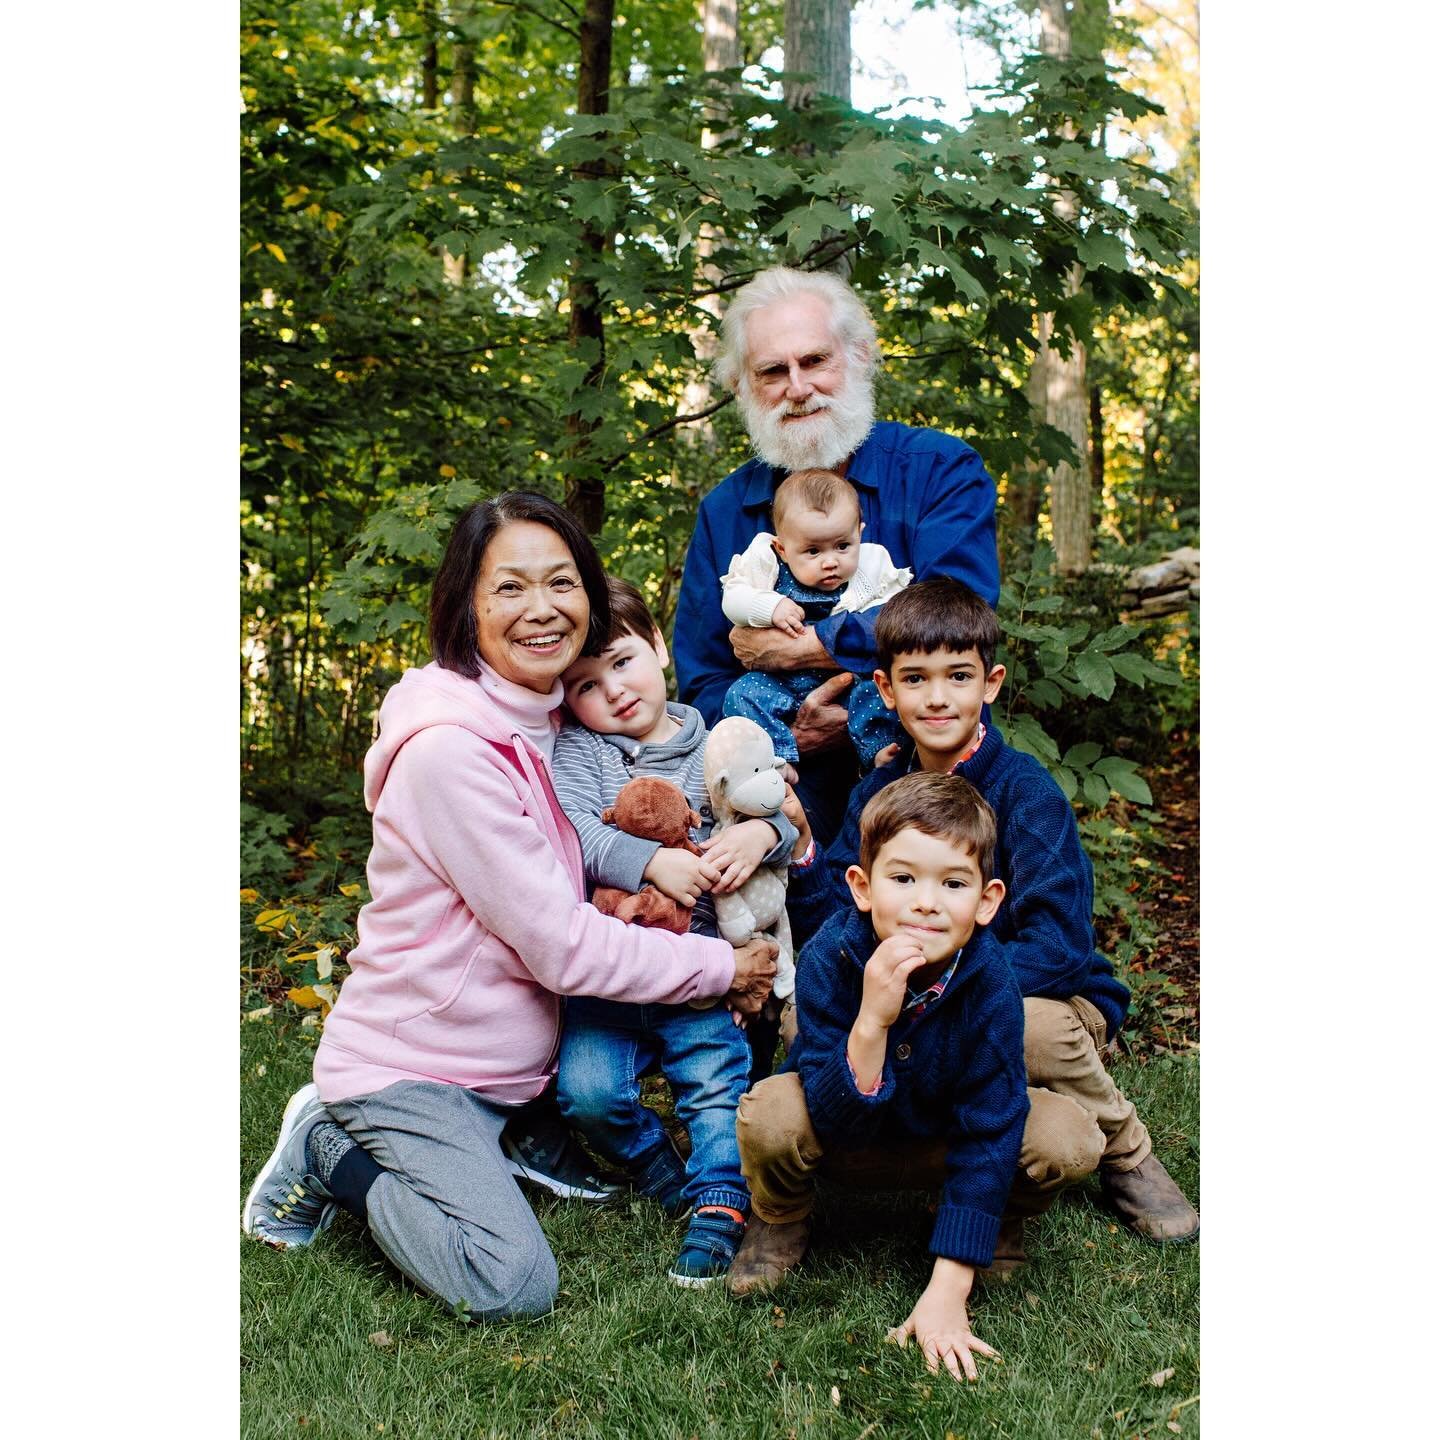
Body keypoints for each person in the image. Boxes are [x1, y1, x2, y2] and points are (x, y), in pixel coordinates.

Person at [242, 493, 777, 1322]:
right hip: (415, 1071)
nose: (541, 609)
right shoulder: (452, 753)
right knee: (510, 1283)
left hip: (503, 1068)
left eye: (561, 582)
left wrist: (778, 820)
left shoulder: (553, 719)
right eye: (509, 589)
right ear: (465, 607)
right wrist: (719, 965)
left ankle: (511, 1131)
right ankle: (327, 1149)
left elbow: (698, 776)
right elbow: (563, 949)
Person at [782, 578, 1201, 1256]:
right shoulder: (877, 794)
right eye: (915, 679)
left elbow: (1061, 945)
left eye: (958, 676)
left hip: (1041, 993)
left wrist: (956, 985)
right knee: (807, 1017)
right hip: (918, 993)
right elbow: (837, 914)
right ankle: (897, 1142)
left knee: (1030, 1027)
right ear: (886, 691)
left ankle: (1125, 1147)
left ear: (992, 682)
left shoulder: (1027, 793)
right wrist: (806, 859)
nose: (938, 697)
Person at [728, 774, 1047, 1384]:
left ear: (986, 901)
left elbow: (993, 1126)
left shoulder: (993, 984)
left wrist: (949, 1287)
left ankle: (988, 1220)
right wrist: (872, 1021)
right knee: (771, 1115)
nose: (926, 902)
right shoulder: (831, 959)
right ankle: (783, 1213)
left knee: (1064, 1140)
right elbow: (830, 1120)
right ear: (863, 886)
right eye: (903, 879)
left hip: (943, 1143)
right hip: (850, 1144)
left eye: (953, 884)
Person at [672, 264, 1000, 849]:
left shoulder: (939, 471)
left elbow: (957, 618)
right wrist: (791, 731)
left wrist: (797, 647)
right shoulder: (725, 512)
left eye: (814, 360)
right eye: (773, 371)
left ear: (859, 356)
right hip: (784, 786)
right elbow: (702, 683)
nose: (797, 388)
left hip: (930, 763)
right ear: (742, 389)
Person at [549, 577, 800, 1287]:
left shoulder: (717, 740)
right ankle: (661, 1165)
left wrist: (761, 835)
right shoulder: (582, 754)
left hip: (701, 970)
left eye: (622, 663)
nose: (614, 692)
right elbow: (582, 841)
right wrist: (653, 860)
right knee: (587, 1094)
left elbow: (775, 805)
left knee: (714, 1082)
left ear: (658, 646)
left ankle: (720, 1200)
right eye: (587, 685)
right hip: (614, 969)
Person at [719, 468, 910, 769]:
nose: (831, 561)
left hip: (848, 682)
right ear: (782, 548)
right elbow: (733, 598)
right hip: (781, 683)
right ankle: (777, 761)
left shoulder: (873, 567)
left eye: (843, 546)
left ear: (860, 532)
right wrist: (769, 606)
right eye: (812, 551)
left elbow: (898, 616)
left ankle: (879, 750)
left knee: (879, 691)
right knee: (741, 694)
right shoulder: (766, 562)